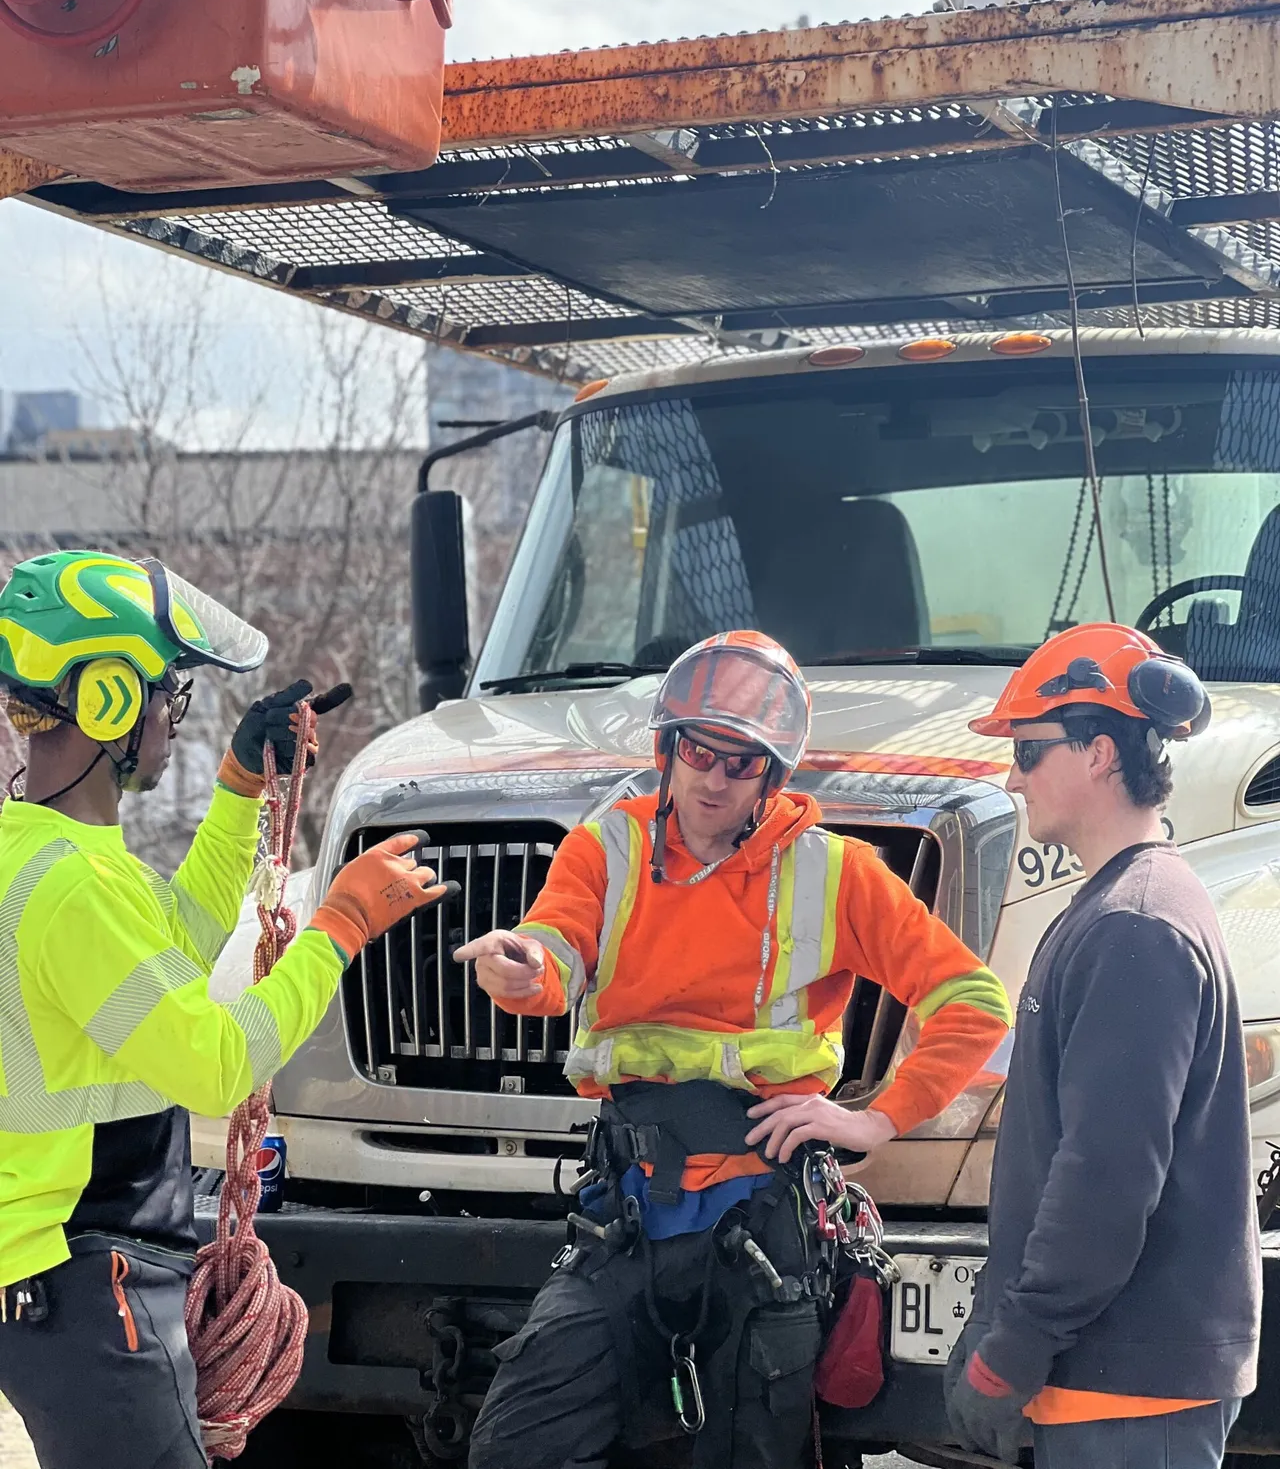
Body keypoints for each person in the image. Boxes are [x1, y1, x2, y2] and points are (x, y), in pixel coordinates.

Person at [456, 629, 1013, 1469]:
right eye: (698, 750)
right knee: (513, 1448)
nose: (714, 776)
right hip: (628, 1223)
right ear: (667, 747)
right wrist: (519, 967)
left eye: (741, 761)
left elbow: (973, 1001)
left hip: (760, 1231)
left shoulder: (835, 872)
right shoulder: (609, 848)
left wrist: (877, 1118)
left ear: (773, 774)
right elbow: (552, 955)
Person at [0, 550, 450, 1469]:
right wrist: (342, 925)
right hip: (84, 1275)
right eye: (168, 694)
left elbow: (184, 932)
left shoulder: (44, 854)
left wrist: (242, 785)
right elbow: (212, 1062)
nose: (175, 717)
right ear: (108, 701)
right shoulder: (73, 887)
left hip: (61, 1274)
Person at [948, 622, 1261, 1469]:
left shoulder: (1136, 926)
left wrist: (1010, 1348)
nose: (1013, 776)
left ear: (1098, 753)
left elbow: (1107, 1175)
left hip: (1127, 1388)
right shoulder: (1129, 906)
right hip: (1116, 1377)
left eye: (1029, 747)